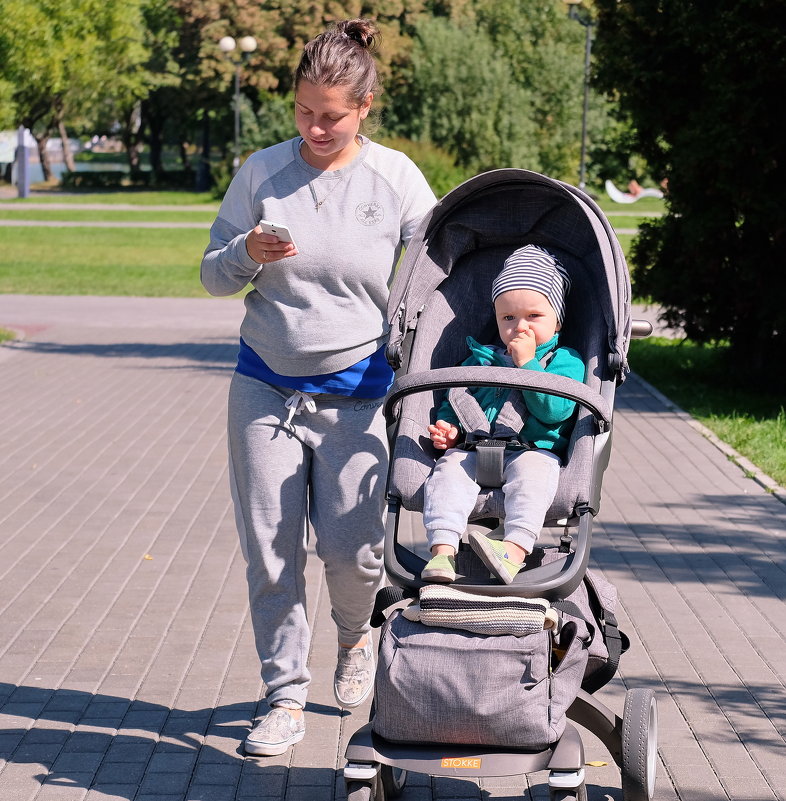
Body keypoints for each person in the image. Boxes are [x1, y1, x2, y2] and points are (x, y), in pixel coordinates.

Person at [200, 18, 436, 757]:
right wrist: (245, 252)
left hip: (360, 390)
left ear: (366, 105)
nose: (314, 125)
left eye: (331, 114)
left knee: (354, 552)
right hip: (265, 385)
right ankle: (284, 697)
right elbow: (211, 273)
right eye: (303, 110)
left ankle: (355, 636)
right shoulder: (263, 173)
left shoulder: (394, 178)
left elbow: (443, 266)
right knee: (271, 552)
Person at [420, 245, 585, 585]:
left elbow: (555, 411)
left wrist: (528, 364)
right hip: (475, 448)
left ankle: (512, 552)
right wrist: (449, 429)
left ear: (558, 320)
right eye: (508, 318)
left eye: (533, 317)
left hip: (532, 450)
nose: (519, 326)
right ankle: (443, 551)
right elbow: (457, 398)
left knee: (533, 479)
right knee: (448, 472)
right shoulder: (480, 358)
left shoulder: (565, 362)